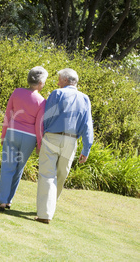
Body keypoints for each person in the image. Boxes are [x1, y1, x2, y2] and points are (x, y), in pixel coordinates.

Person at [35, 68, 93, 224]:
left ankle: (45, 213)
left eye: (59, 79)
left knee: (47, 174)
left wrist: (43, 135)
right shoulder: (85, 98)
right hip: (71, 140)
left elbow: (47, 116)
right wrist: (86, 148)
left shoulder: (57, 93)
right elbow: (87, 126)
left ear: (66, 80)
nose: (58, 82)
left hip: (53, 136)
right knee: (61, 175)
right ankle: (48, 208)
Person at [0, 66, 48, 211]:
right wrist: (39, 144)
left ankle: (2, 201)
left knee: (7, 167)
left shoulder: (17, 92)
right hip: (29, 137)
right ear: (40, 83)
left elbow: (7, 114)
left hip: (12, 132)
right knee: (18, 169)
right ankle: (9, 201)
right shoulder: (42, 101)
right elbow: (39, 125)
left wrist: (3, 134)